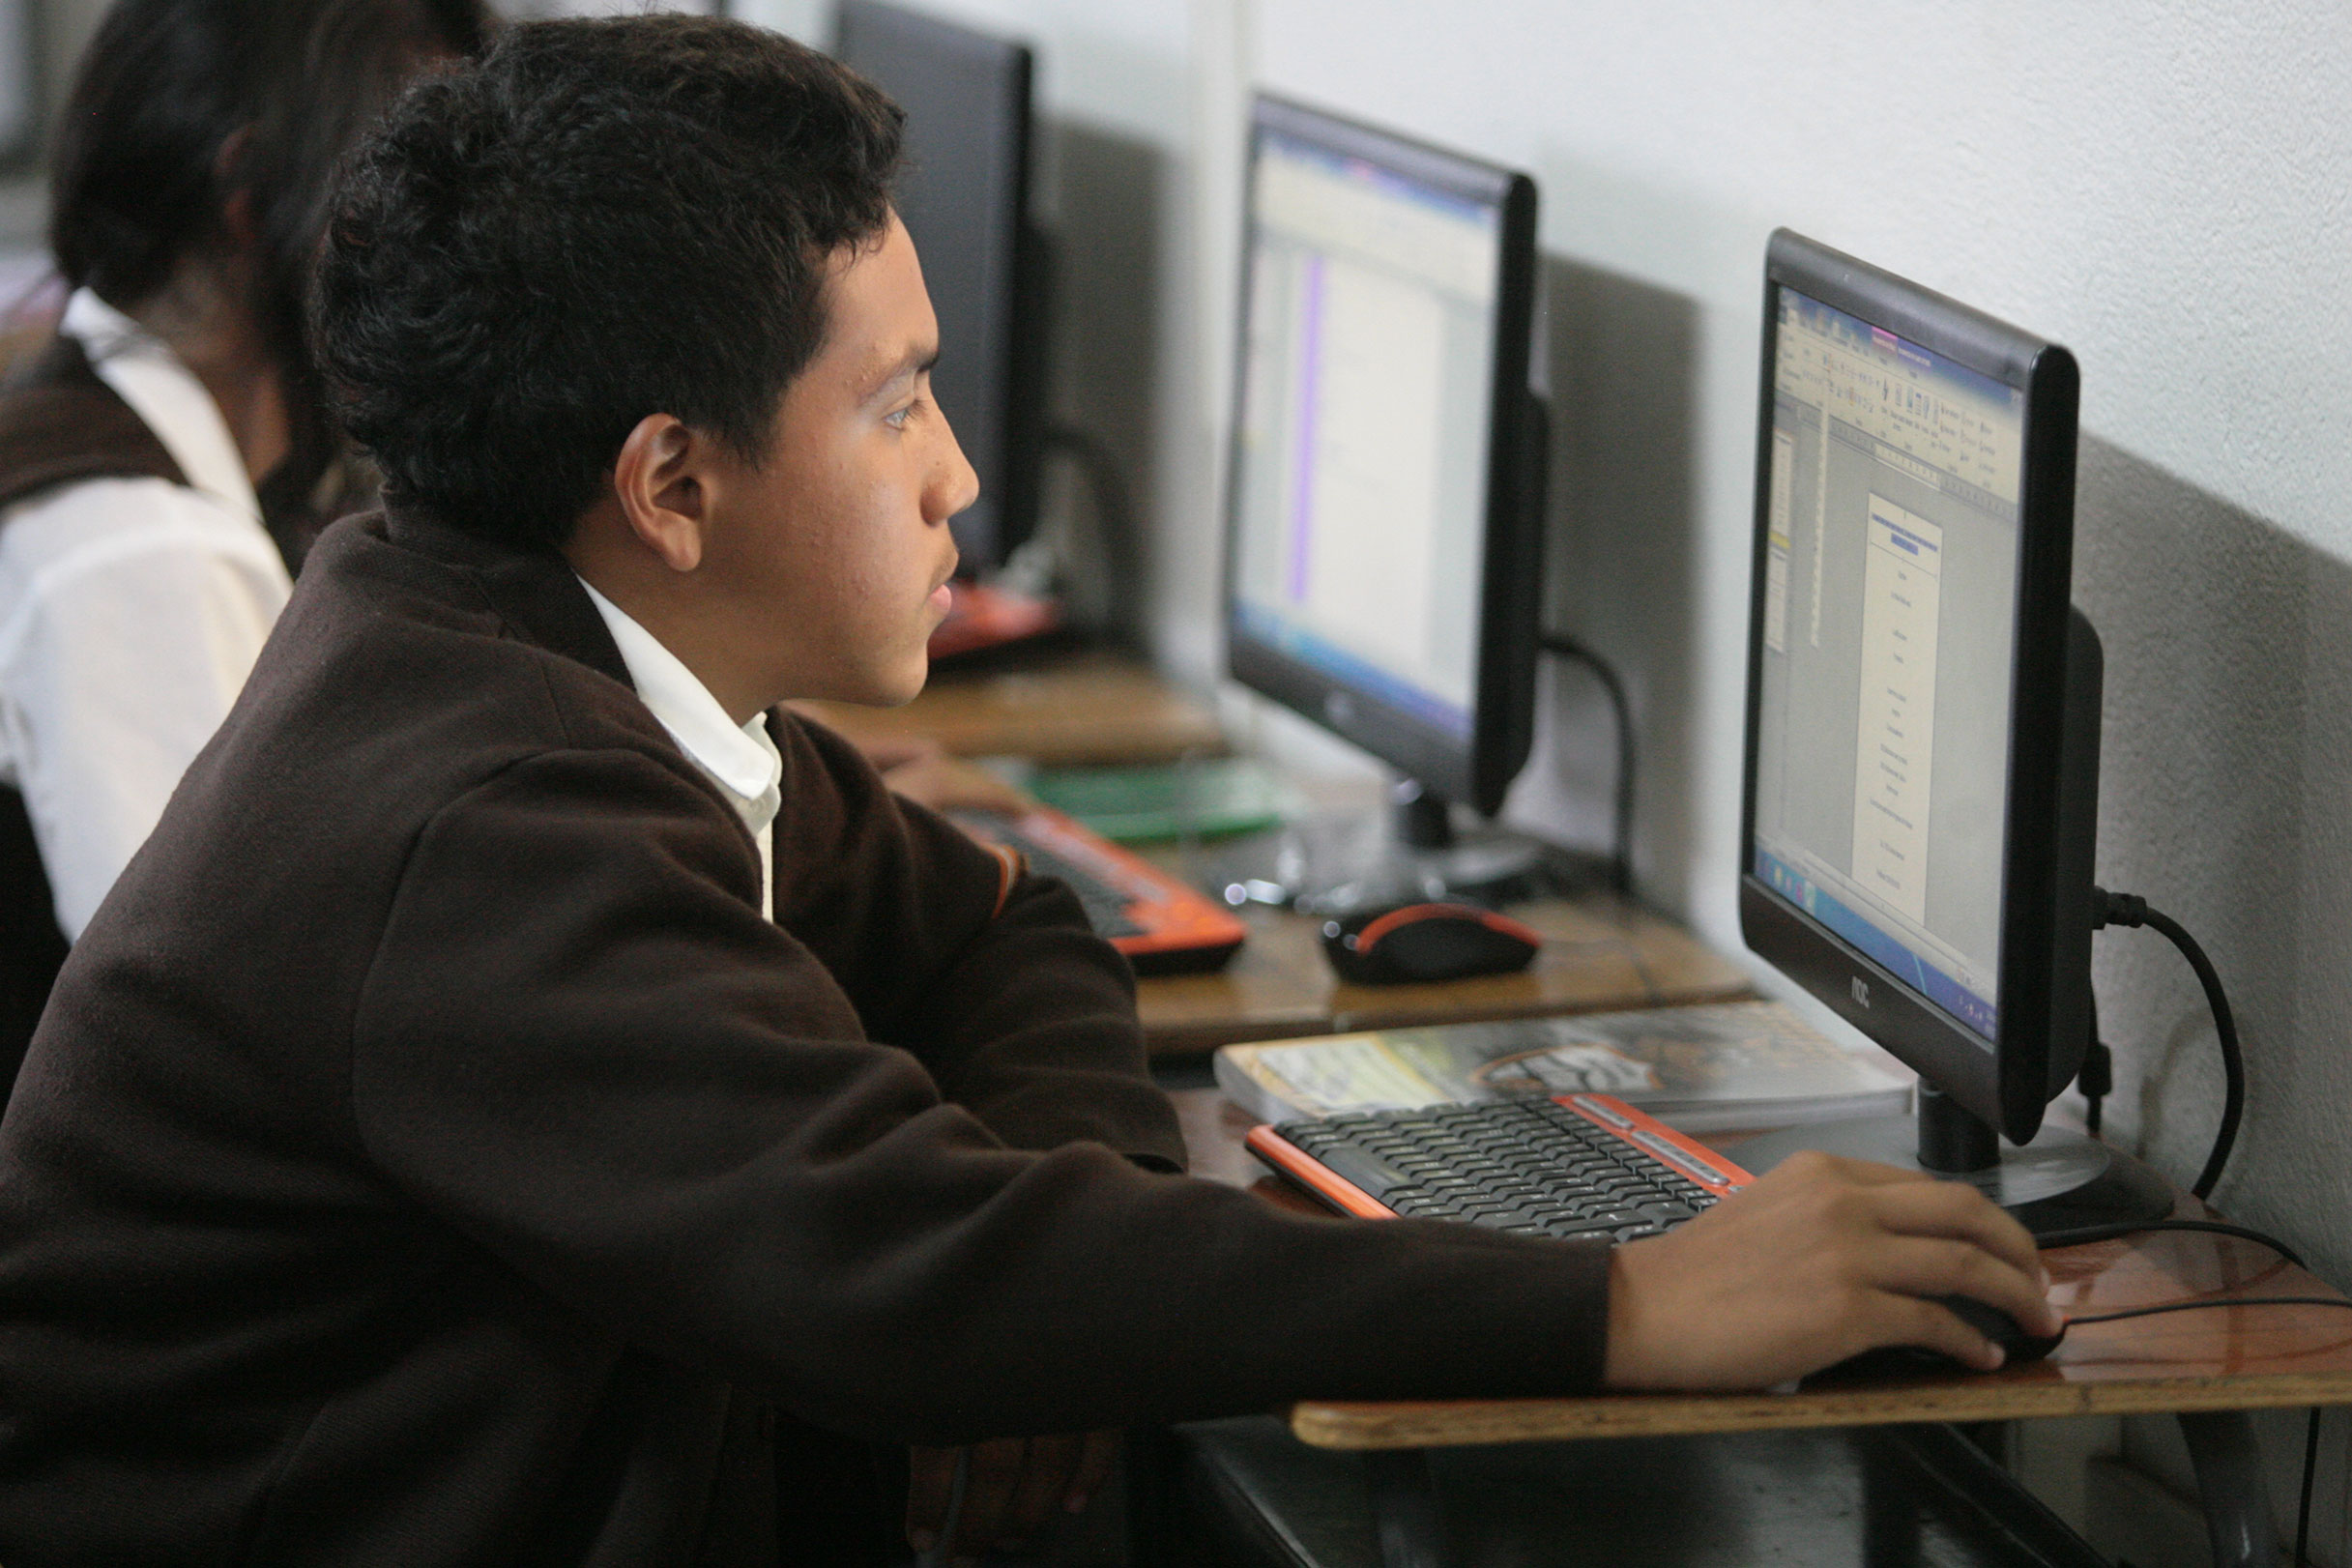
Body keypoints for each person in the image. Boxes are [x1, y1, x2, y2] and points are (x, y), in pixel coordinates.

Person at [0, 17, 2059, 1565]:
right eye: (892, 399)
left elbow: (1007, 934)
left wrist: (1061, 1279)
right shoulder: (469, 819)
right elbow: (907, 1267)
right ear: (671, 484)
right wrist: (1628, 1300)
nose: (956, 472)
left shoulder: (510, 640)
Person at [0, 0, 491, 1092]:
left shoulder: (112, 435)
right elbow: (227, 1027)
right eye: (410, 193)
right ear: (247, 197)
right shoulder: (141, 549)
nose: (457, 253)